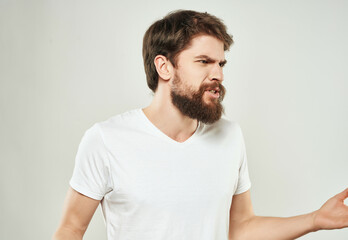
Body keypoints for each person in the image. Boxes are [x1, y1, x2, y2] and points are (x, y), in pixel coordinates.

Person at [53, 10, 348, 240]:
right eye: (204, 61)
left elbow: (242, 228)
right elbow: (70, 230)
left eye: (221, 64)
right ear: (164, 66)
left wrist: (315, 220)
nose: (217, 74)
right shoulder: (106, 140)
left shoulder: (230, 136)